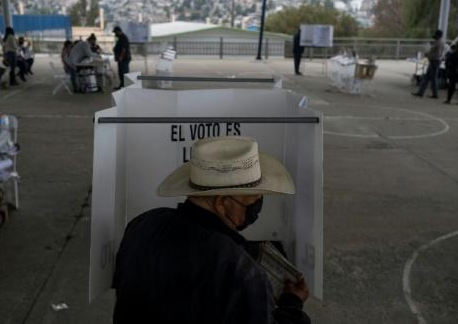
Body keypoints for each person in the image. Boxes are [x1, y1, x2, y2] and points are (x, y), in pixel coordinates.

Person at [113, 136, 311, 324]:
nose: (257, 206)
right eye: (252, 200)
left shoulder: (142, 224)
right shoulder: (239, 269)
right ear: (222, 204)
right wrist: (292, 304)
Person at [412, 30, 445, 98]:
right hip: (434, 61)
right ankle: (422, 92)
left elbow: (438, 54)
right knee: (429, 78)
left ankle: (430, 93)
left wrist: (428, 55)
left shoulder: (439, 43)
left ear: (438, 35)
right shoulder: (438, 42)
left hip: (434, 61)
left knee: (432, 78)